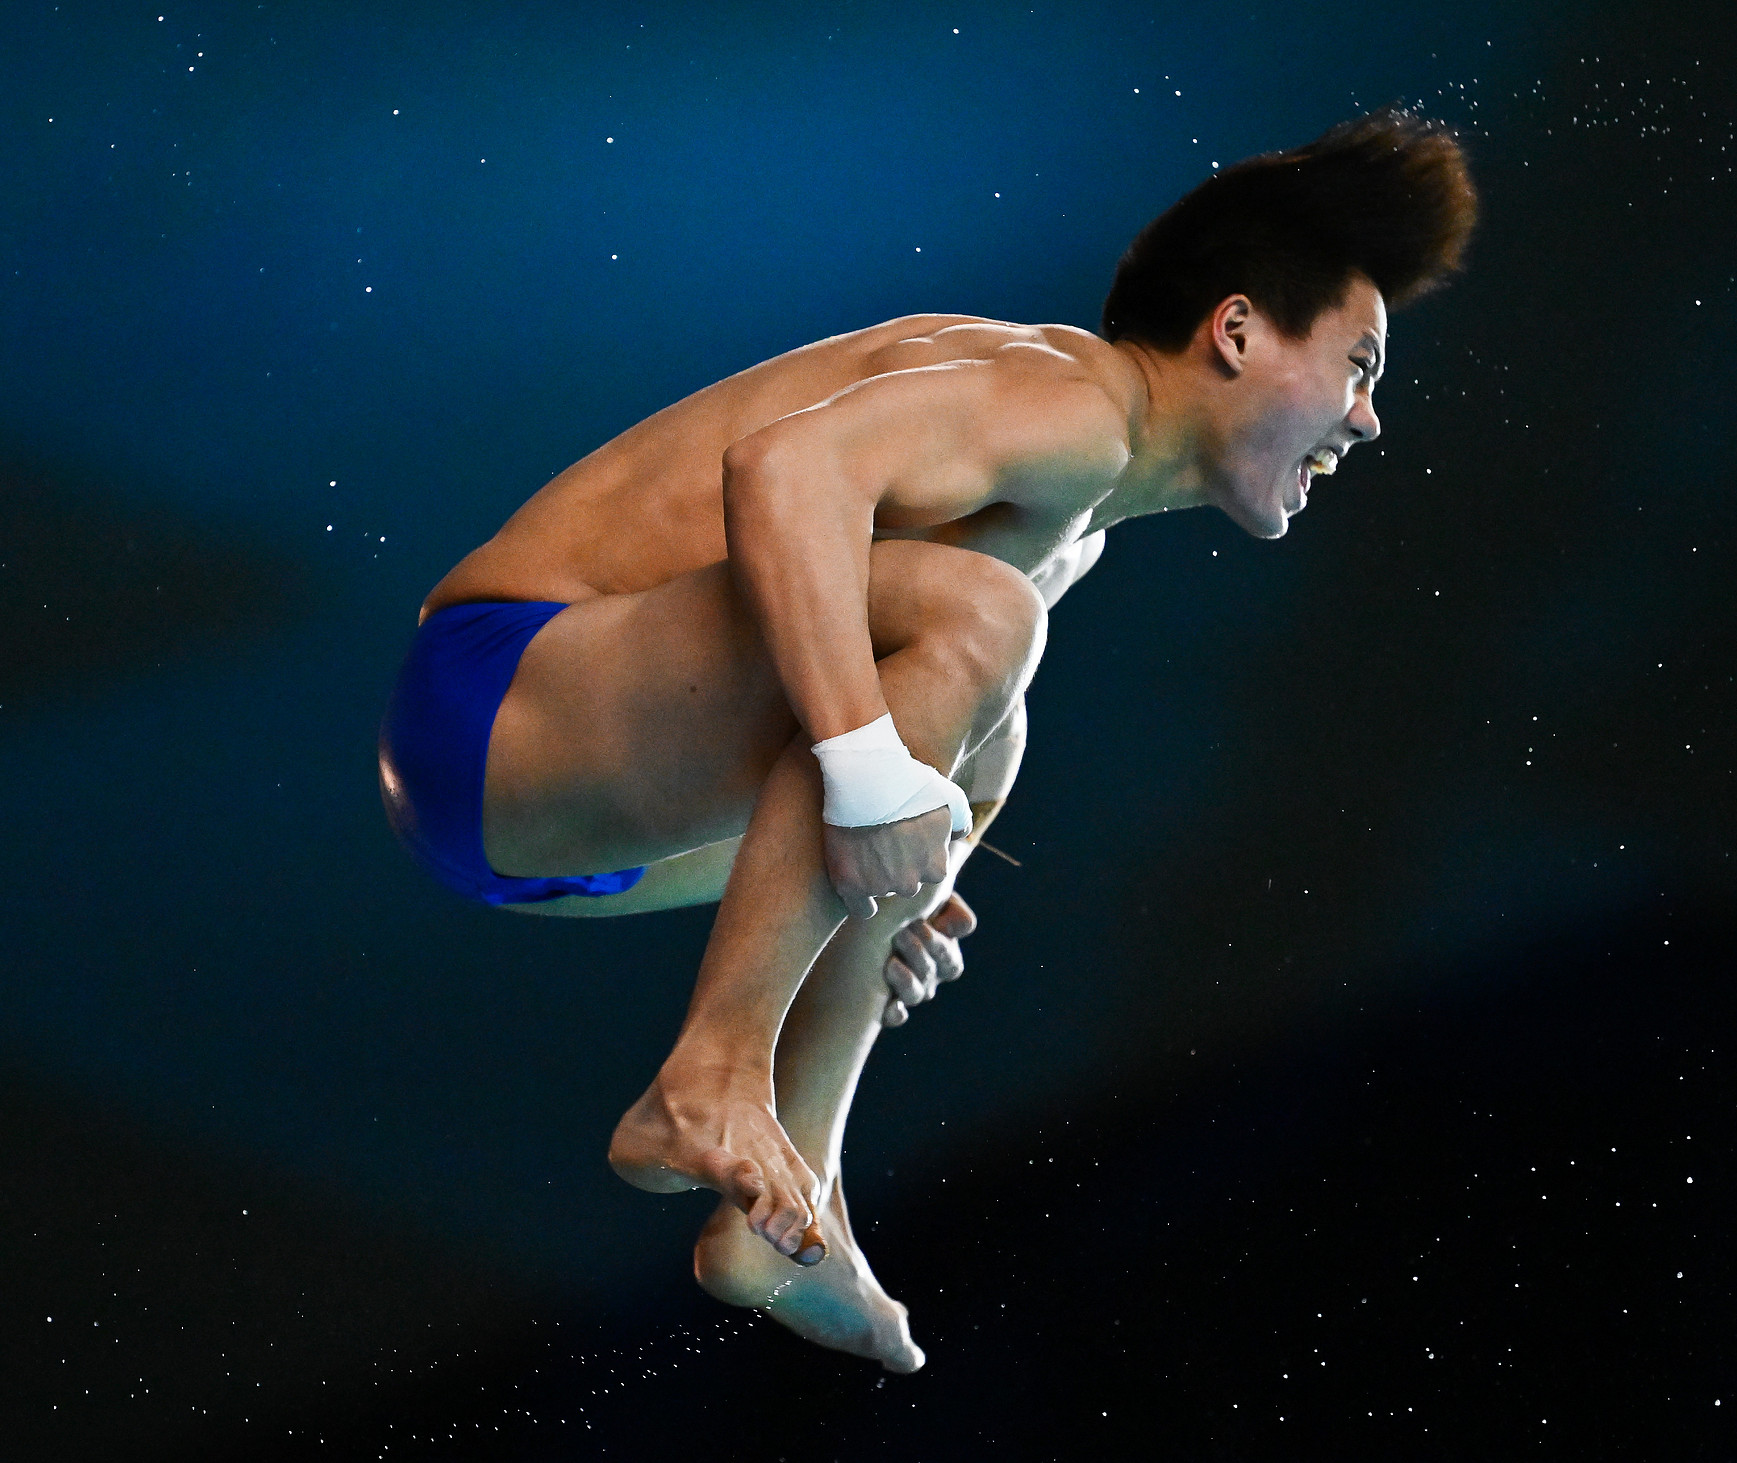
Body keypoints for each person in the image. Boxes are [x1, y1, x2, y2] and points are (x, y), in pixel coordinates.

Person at [378, 107, 1476, 1372]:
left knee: (981, 742)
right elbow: (782, 474)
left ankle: (799, 1193)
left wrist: (879, 885)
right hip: (495, 696)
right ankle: (709, 1070)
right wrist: (861, 778)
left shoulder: (1081, 523)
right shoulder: (1066, 402)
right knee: (974, 628)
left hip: (557, 830)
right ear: (1234, 329)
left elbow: (868, 721)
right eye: (1359, 365)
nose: (1368, 420)